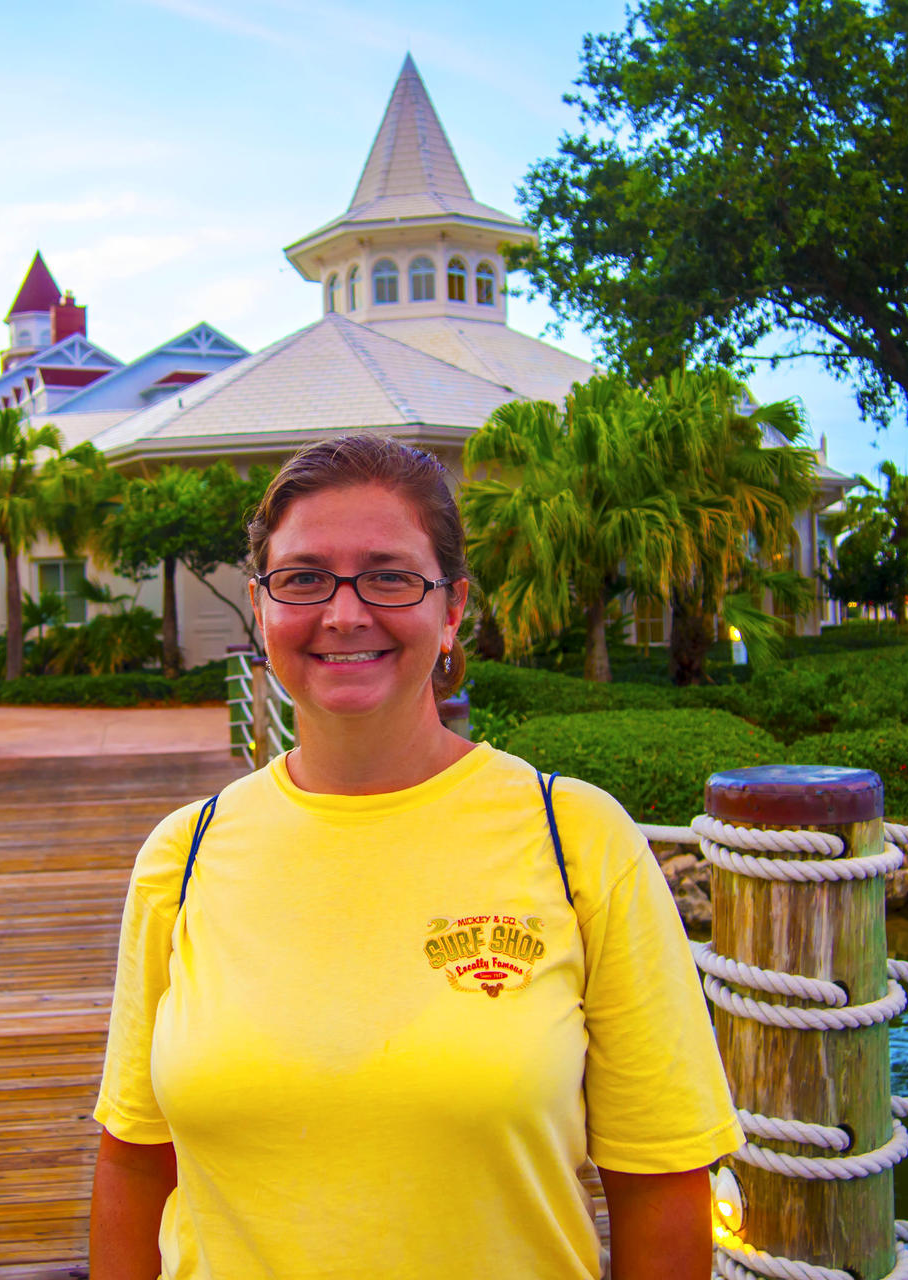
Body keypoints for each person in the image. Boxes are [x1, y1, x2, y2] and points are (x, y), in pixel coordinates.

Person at [89, 434, 740, 1279]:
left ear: (453, 607)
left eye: (390, 576)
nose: (345, 612)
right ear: (262, 605)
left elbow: (661, 1183)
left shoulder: (576, 838)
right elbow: (137, 1162)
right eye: (304, 578)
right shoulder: (183, 855)